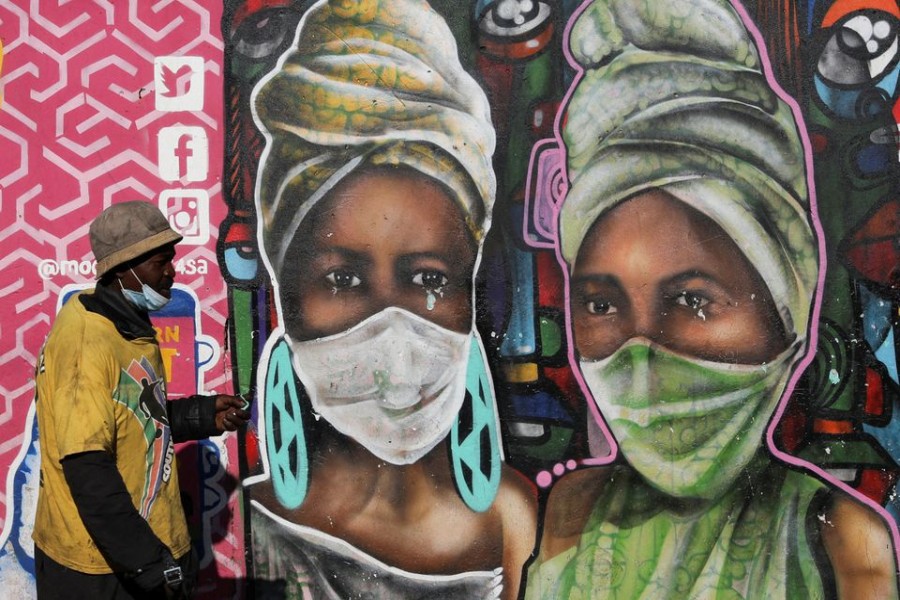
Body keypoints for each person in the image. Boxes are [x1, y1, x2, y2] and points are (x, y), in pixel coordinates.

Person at [525, 0, 899, 598]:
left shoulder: (836, 543)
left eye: (693, 301)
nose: (639, 352)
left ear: (786, 312)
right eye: (601, 304)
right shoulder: (566, 516)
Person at [245, 1, 536, 598]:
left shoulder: (514, 517)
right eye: (343, 280)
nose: (391, 326)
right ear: (286, 290)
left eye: (429, 279)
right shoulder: (242, 526)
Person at [32, 201, 250, 600]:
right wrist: (150, 565)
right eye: (160, 262)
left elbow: (133, 418)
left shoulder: (126, 324)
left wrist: (201, 415)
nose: (172, 272)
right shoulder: (86, 343)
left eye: (173, 259)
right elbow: (87, 469)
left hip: (146, 549)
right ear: (122, 268)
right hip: (99, 570)